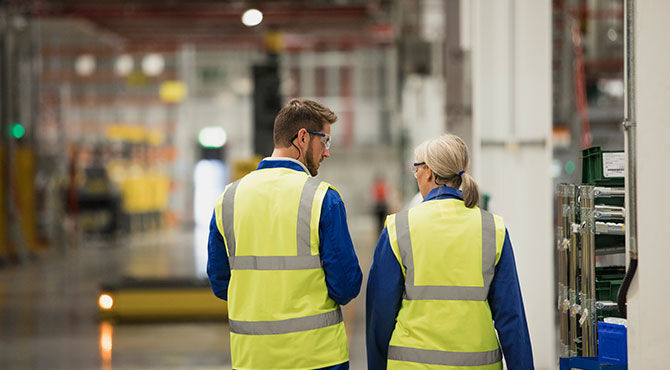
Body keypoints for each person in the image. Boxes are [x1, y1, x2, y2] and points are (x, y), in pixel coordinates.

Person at [207, 98, 363, 370]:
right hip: (317, 358)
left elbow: (221, 283)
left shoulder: (228, 199)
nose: (326, 153)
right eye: (325, 141)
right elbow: (346, 286)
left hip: (252, 358)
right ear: (302, 138)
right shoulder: (322, 200)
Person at [366, 134, 533, 369]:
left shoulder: (398, 228)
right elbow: (511, 318)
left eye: (416, 170)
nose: (416, 178)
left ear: (428, 172)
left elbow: (380, 315)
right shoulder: (492, 229)